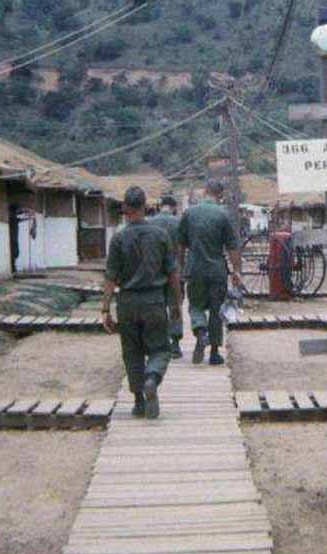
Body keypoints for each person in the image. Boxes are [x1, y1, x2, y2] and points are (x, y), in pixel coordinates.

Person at [101, 186, 181, 419]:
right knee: (160, 349)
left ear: (125, 208)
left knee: (132, 352)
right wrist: (176, 304)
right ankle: (152, 378)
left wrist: (106, 308)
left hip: (126, 303)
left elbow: (110, 277)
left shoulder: (118, 238)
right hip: (154, 301)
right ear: (145, 207)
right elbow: (173, 274)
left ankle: (138, 402)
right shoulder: (161, 236)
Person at [178, 179, 242, 366]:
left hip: (195, 268)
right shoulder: (224, 215)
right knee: (216, 310)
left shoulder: (189, 213)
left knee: (196, 306)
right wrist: (237, 271)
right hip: (217, 270)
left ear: (205, 192)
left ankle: (201, 332)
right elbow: (233, 247)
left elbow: (180, 246)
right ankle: (214, 353)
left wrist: (181, 270)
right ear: (220, 195)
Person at [149, 194, 184, 359]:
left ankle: (159, 344)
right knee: (175, 305)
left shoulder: (150, 223)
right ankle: (175, 345)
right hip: (174, 271)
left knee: (157, 307)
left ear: (160, 206)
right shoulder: (179, 223)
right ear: (174, 207)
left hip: (154, 272)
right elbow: (183, 248)